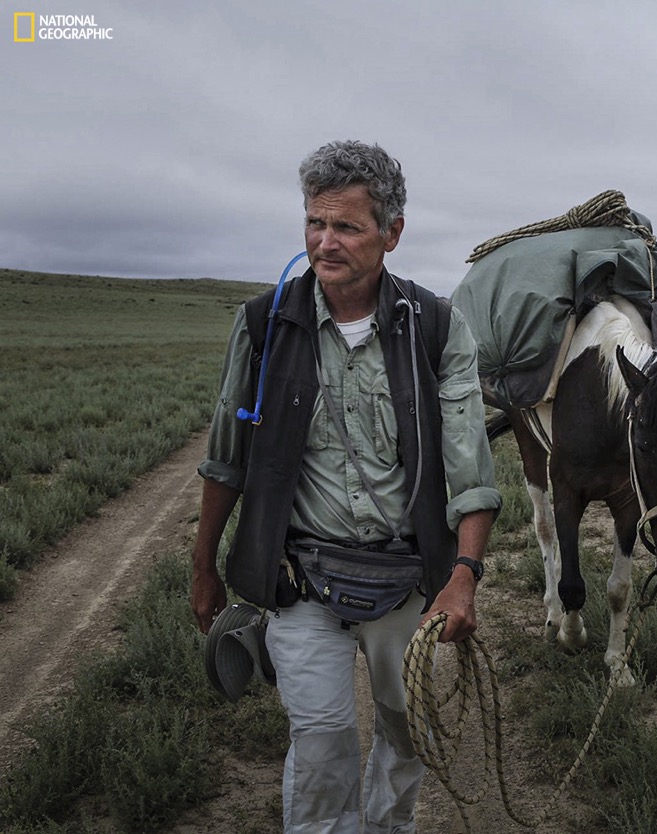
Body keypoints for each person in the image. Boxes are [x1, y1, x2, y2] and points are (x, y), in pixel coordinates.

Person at [190, 139, 501, 834]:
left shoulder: (438, 327)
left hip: (407, 579)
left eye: (347, 227)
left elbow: (471, 471)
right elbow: (225, 458)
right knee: (323, 737)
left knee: (405, 732)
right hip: (300, 577)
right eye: (313, 223)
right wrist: (203, 564)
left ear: (392, 233)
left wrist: (463, 577)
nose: (324, 243)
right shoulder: (264, 323)